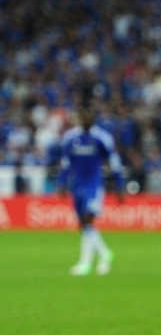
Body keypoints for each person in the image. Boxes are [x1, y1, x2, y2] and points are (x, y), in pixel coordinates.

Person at [57, 106, 124, 276]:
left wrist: (119, 185)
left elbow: (114, 161)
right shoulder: (71, 138)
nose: (86, 119)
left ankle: (85, 264)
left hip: (94, 185)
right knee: (83, 224)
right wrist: (62, 183)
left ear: (93, 119)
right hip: (77, 185)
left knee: (88, 220)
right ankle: (104, 254)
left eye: (89, 116)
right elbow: (66, 163)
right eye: (83, 116)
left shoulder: (102, 138)